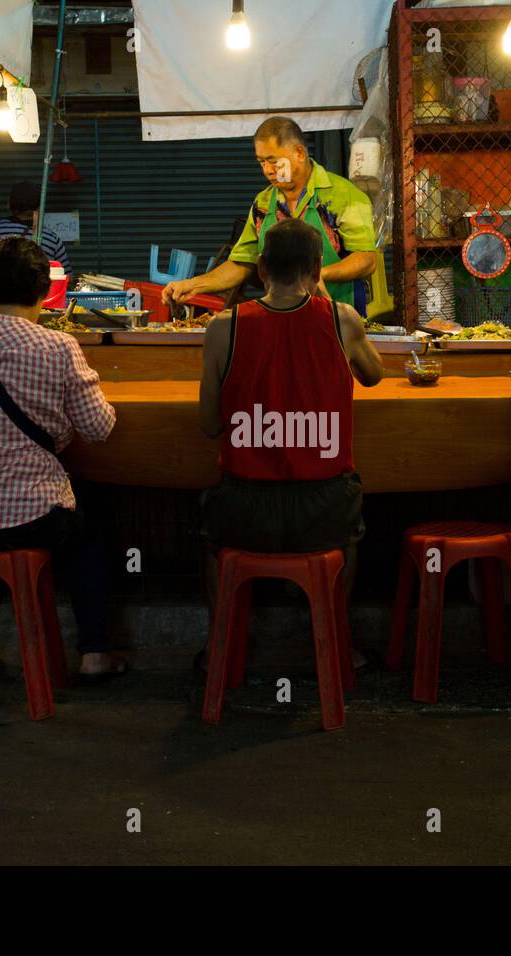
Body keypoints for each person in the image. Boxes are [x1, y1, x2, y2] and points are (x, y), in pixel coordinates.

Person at [0, 235, 126, 682]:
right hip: (30, 517)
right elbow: (100, 428)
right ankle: (94, 651)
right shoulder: (58, 348)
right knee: (89, 518)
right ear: (43, 291)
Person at [196, 218, 383, 667]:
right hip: (323, 509)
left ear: (260, 269)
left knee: (210, 538)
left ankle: (219, 648)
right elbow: (374, 375)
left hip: (245, 508)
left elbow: (208, 425)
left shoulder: (224, 327)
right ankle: (339, 646)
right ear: (318, 269)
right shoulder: (342, 319)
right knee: (349, 532)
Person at [162, 116, 378, 312]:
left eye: (273, 161)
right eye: (261, 162)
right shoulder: (263, 204)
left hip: (340, 318)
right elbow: (242, 263)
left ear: (300, 153)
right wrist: (193, 285)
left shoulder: (343, 195)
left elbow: (366, 259)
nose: (267, 170)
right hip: (279, 318)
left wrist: (320, 275)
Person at [0, 181, 70, 303]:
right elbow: (66, 279)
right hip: (37, 312)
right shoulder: (51, 238)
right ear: (39, 207)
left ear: (9, 205)